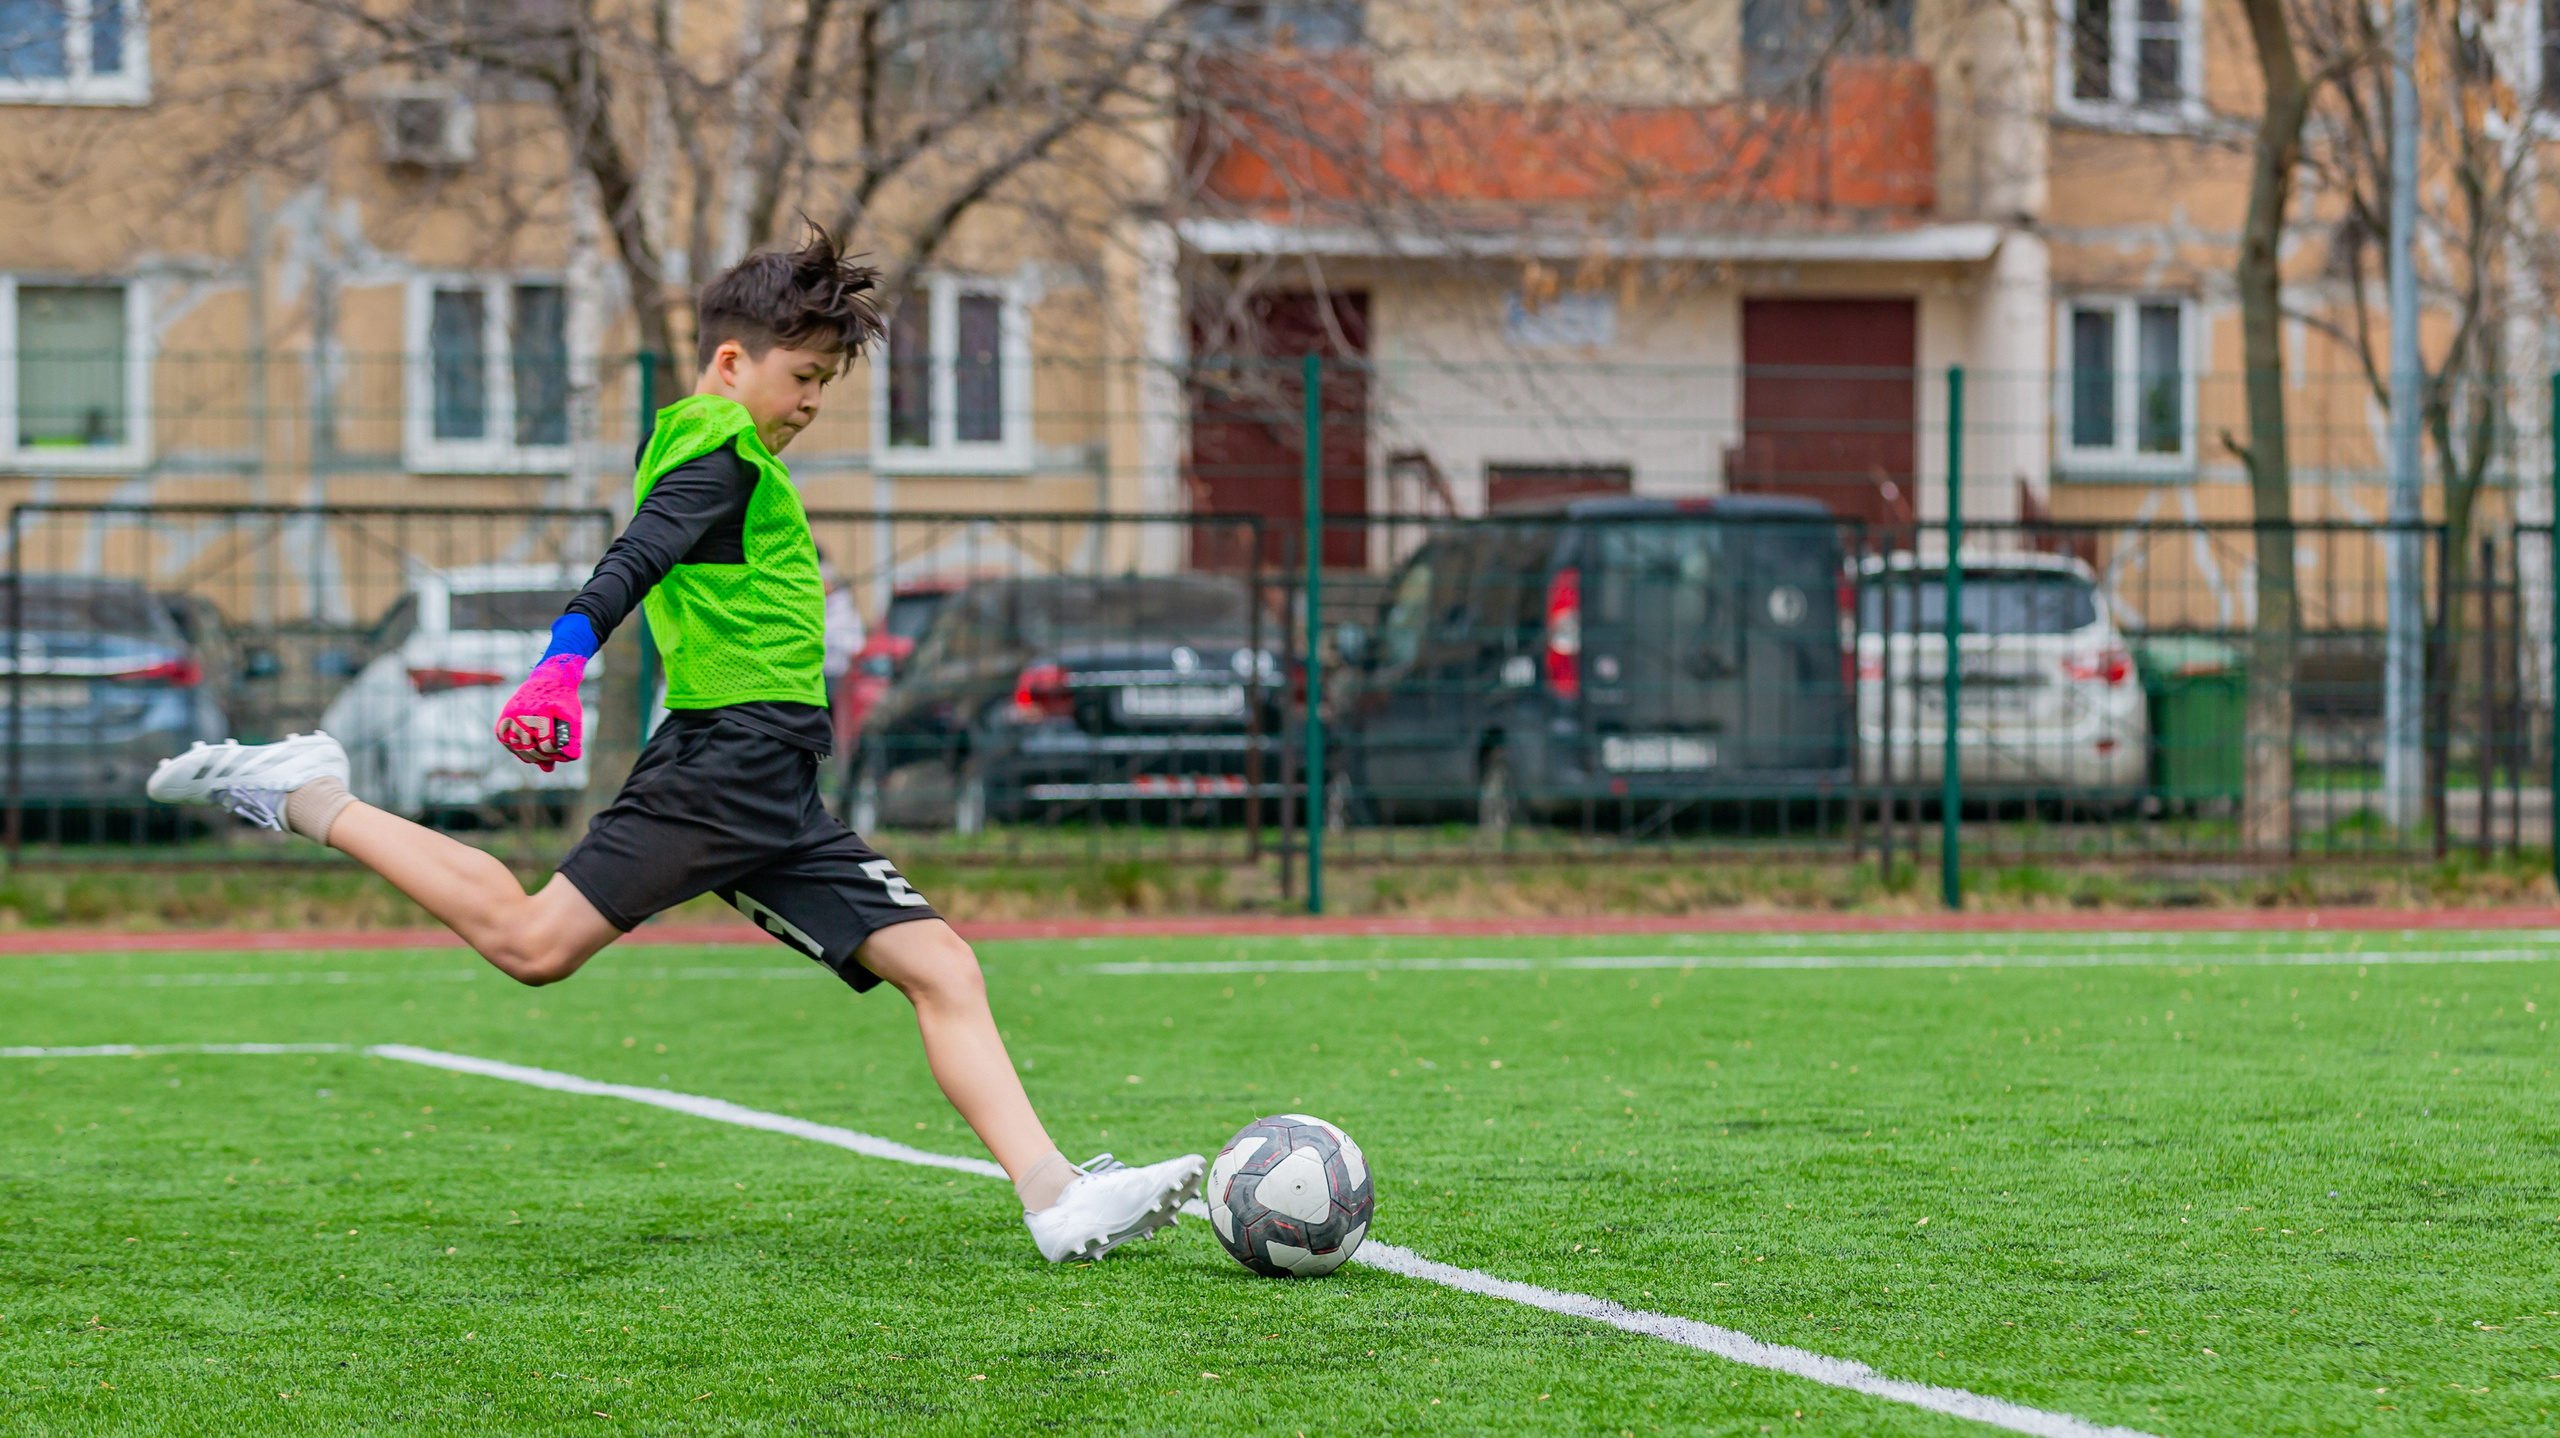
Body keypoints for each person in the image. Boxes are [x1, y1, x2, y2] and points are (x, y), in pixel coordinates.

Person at [146, 227, 1202, 1263]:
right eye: (802, 375)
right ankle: (308, 795)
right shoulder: (715, 446)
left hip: (772, 784)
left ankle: (1056, 1197)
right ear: (733, 360)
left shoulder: (730, 450)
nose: (811, 402)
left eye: (829, 382)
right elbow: (635, 555)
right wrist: (562, 659)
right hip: (723, 767)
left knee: (941, 966)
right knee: (531, 944)